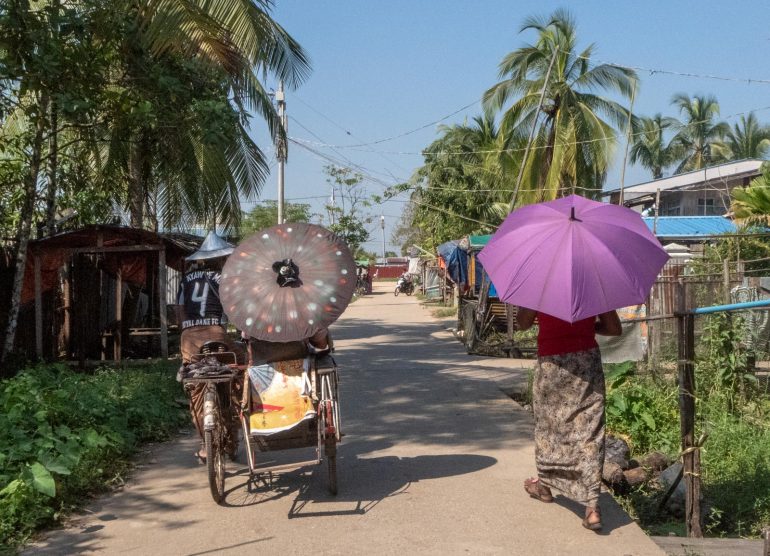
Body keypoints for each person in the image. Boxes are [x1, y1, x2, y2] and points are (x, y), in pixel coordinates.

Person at [516, 307, 622, 531]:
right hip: (586, 364)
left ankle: (545, 486)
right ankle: (592, 508)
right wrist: (587, 327)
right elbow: (614, 328)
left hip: (551, 365)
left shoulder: (540, 284)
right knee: (589, 432)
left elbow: (523, 324)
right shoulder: (592, 283)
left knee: (550, 429)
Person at [177, 231, 243, 461]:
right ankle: (239, 411)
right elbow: (234, 310)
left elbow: (180, 310)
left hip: (190, 339)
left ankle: (205, 446)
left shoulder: (186, 279)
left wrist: (186, 329)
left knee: (195, 385)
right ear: (222, 259)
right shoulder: (225, 279)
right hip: (217, 334)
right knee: (240, 369)